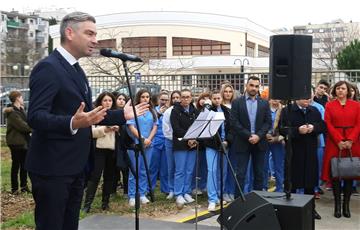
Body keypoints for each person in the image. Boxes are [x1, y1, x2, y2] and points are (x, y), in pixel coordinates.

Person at [25, 12, 148, 230]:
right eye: (89, 33)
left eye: (95, 34)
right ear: (70, 33)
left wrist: (122, 115)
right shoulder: (49, 68)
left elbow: (90, 114)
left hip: (75, 166)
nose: (95, 40)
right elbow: (35, 116)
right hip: (53, 168)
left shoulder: (77, 70)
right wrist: (72, 123)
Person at [279, 98, 326, 220]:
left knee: (310, 181)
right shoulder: (287, 111)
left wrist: (313, 127)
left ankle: (311, 209)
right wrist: (297, 130)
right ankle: (292, 209)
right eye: (305, 97)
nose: (308, 100)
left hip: (310, 150)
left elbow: (322, 126)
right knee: (293, 180)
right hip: (294, 151)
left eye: (309, 97)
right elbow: (282, 129)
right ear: (297, 98)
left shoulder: (314, 110)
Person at [321, 81, 360, 218]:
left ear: (348, 91)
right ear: (335, 91)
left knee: (349, 174)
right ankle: (337, 206)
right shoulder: (329, 105)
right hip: (334, 143)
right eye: (338, 88)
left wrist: (350, 140)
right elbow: (328, 124)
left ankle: (346, 206)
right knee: (335, 175)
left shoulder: (356, 105)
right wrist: (339, 140)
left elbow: (358, 124)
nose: (340, 91)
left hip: (352, 143)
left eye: (343, 88)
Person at [230, 76, 272, 196]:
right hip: (243, 142)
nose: (254, 88)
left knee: (259, 174)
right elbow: (234, 122)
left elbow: (267, 122)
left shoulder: (264, 103)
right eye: (251, 85)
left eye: (256, 86)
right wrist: (249, 135)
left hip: (259, 143)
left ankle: (257, 202)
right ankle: (238, 201)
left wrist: (258, 136)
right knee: (241, 174)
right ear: (246, 86)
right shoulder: (237, 102)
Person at [82, 92, 118, 213]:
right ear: (100, 102)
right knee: (95, 176)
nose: (108, 103)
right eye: (105, 100)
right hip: (99, 149)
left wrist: (118, 129)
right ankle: (87, 204)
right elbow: (90, 132)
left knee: (109, 176)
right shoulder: (95, 114)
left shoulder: (117, 114)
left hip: (112, 149)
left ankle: (105, 203)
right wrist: (105, 129)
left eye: (110, 100)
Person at [127, 89, 158, 207]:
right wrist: (142, 138)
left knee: (145, 169)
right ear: (138, 98)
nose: (145, 99)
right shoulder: (134, 111)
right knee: (134, 170)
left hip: (149, 144)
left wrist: (149, 139)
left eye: (147, 97)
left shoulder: (152, 111)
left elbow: (155, 126)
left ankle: (142, 193)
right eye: (143, 97)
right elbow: (131, 126)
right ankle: (132, 195)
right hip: (136, 145)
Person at [170, 89, 199, 209]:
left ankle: (186, 192)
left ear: (191, 98)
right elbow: (176, 128)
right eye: (183, 97)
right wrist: (189, 138)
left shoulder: (195, 111)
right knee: (180, 170)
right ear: (180, 98)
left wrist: (194, 138)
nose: (185, 99)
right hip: (180, 144)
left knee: (189, 170)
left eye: (188, 97)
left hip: (193, 144)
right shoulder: (175, 111)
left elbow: (198, 126)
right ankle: (178, 193)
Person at [203, 90, 231, 211]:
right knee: (212, 171)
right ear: (211, 99)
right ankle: (212, 199)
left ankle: (220, 194)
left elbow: (231, 128)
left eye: (218, 98)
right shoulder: (208, 111)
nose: (217, 100)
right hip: (212, 146)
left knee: (223, 172)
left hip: (225, 145)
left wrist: (227, 141)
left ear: (221, 98)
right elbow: (205, 130)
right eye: (214, 98)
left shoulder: (227, 111)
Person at [4, 90, 32, 194]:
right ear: (17, 98)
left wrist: (23, 111)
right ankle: (14, 189)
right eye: (21, 97)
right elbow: (23, 126)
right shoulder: (12, 113)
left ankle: (24, 187)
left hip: (23, 142)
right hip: (16, 143)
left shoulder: (20, 110)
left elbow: (27, 121)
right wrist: (33, 128)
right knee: (16, 165)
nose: (22, 99)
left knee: (24, 165)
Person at [162, 90, 181, 200]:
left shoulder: (183, 111)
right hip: (170, 141)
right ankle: (171, 189)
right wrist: (174, 139)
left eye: (177, 97)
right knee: (171, 166)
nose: (176, 100)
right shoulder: (168, 111)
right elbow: (166, 129)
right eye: (173, 98)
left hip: (181, 141)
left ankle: (180, 189)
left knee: (180, 168)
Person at [150, 91, 170, 194]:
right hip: (155, 141)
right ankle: (150, 189)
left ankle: (165, 189)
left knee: (165, 168)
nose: (164, 102)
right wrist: (159, 113)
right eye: (162, 99)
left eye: (166, 100)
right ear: (158, 100)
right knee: (153, 167)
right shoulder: (153, 111)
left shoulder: (171, 111)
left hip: (166, 141)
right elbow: (151, 123)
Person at [264, 99, 285, 192]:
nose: (275, 101)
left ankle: (280, 188)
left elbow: (285, 126)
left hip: (278, 141)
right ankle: (263, 187)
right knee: (263, 166)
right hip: (264, 139)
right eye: (273, 99)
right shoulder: (264, 109)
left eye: (277, 99)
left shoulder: (283, 110)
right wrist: (264, 134)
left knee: (279, 166)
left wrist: (277, 138)